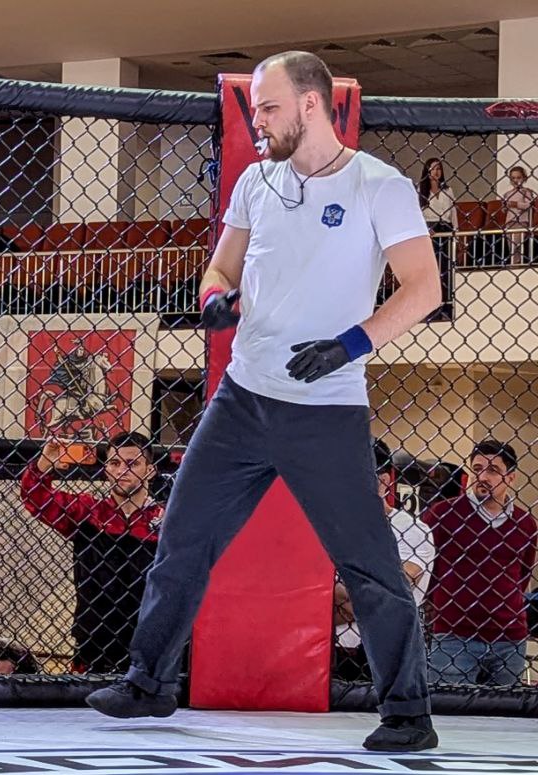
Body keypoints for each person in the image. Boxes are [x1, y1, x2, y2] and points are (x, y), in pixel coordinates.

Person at [84, 51, 443, 753]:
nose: (259, 122)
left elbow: (424, 287)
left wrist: (349, 345)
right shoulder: (255, 179)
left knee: (368, 563)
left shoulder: (380, 185)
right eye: (254, 110)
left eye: (270, 108)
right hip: (242, 399)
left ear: (312, 104)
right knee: (183, 539)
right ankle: (149, 682)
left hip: (326, 408)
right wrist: (214, 298)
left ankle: (408, 714)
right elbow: (221, 265)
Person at [20, 432, 163, 673]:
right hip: (94, 641)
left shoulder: (165, 519)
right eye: (114, 463)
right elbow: (35, 497)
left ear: (150, 470)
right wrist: (45, 462)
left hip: (150, 640)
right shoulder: (90, 512)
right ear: (106, 469)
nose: (122, 471)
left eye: (132, 463)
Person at [423, 440, 536, 687]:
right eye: (477, 469)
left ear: (511, 477)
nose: (483, 476)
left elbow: (522, 575)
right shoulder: (442, 515)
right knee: (447, 706)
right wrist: (436, 601)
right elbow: (424, 564)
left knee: (505, 709)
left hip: (509, 639)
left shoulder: (526, 524)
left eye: (493, 470)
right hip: (454, 635)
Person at [333, 439, 436, 681]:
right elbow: (316, 597)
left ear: (384, 480)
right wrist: (365, 596)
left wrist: (340, 596)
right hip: (332, 651)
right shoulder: (334, 529)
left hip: (387, 652)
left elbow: (390, 596)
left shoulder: (412, 530)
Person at [501, 166, 536, 265]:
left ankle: (517, 263)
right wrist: (504, 206)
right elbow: (504, 210)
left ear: (524, 178)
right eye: (513, 178)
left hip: (521, 221)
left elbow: (528, 205)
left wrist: (515, 204)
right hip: (509, 222)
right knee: (510, 244)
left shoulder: (526, 191)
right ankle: (514, 262)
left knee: (517, 243)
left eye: (518, 177)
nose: (516, 180)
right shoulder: (507, 194)